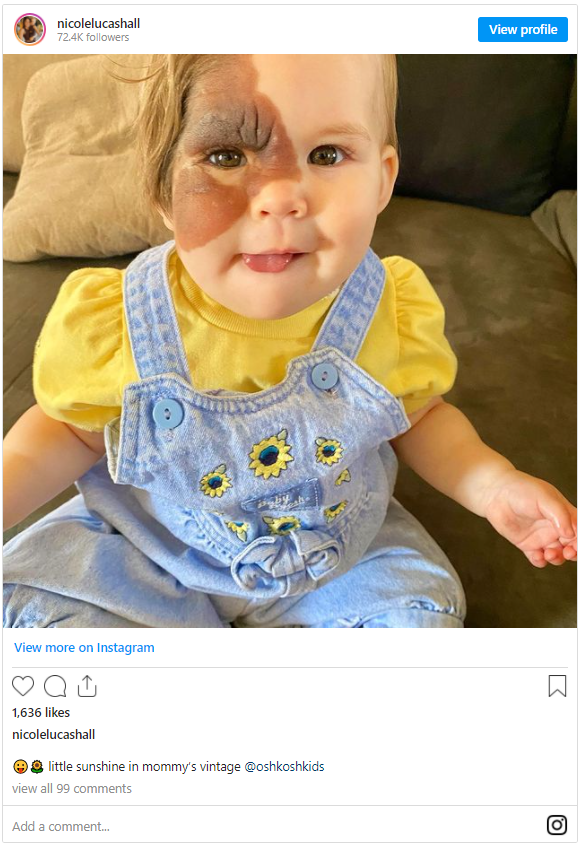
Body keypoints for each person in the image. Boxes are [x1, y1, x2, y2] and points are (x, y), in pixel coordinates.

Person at [3, 55, 577, 629]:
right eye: (227, 156)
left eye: (326, 155)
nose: (280, 197)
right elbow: (68, 433)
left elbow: (420, 418)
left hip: (335, 558)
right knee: (44, 616)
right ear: (161, 188)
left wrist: (492, 486)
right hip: (152, 552)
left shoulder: (388, 310)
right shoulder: (118, 321)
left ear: (382, 179)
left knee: (415, 625)